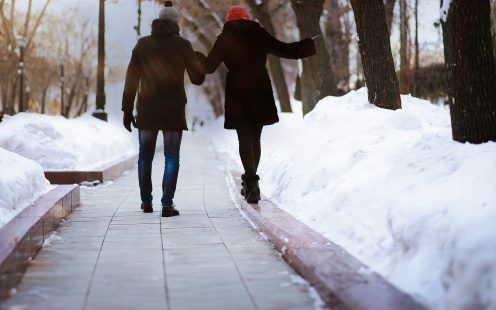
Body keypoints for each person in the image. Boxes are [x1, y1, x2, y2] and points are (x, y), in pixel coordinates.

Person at [200, 5, 317, 203]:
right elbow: (285, 49)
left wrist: (196, 57)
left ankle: (251, 184)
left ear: (229, 20)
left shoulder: (225, 38)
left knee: (244, 138)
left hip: (238, 92)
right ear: (247, 18)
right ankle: (251, 184)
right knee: (256, 138)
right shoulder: (258, 33)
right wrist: (308, 44)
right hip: (259, 89)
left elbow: (209, 67)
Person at [122, 1, 205, 217]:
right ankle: (167, 204)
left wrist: (127, 110)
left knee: (145, 157)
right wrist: (198, 61)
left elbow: (131, 80)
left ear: (158, 22)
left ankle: (146, 202)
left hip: (147, 109)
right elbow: (197, 79)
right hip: (173, 110)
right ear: (177, 23)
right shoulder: (183, 45)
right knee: (171, 157)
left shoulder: (142, 45)